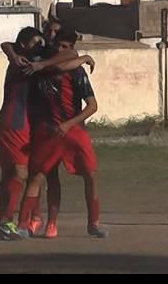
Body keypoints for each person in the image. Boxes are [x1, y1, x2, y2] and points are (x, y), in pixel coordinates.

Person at [0, 27, 94, 239]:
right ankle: (6, 221)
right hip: (15, 123)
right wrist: (83, 57)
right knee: (20, 173)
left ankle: (21, 219)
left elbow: (67, 55)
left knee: (18, 174)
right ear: (23, 46)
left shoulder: (34, 61)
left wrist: (80, 56)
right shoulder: (24, 63)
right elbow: (65, 61)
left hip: (23, 124)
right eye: (35, 42)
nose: (40, 45)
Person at [17, 25, 108, 239]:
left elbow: (92, 106)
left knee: (91, 175)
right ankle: (24, 224)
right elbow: (9, 46)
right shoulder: (40, 64)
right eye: (60, 44)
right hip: (48, 131)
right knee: (38, 178)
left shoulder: (74, 71)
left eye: (67, 46)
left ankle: (93, 223)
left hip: (73, 129)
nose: (63, 49)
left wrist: (68, 125)